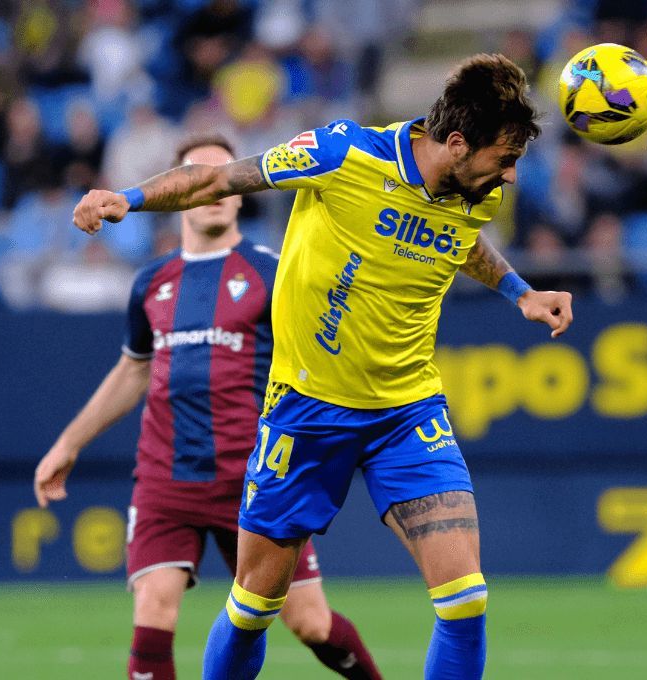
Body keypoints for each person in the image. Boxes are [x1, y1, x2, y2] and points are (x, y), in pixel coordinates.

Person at [71, 54, 573, 680]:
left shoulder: (476, 190)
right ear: (454, 143)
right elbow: (218, 181)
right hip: (307, 410)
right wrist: (131, 197)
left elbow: (460, 237)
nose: (512, 175)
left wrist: (520, 292)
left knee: (465, 597)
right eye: (504, 158)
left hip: (407, 410)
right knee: (255, 606)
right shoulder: (344, 154)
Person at [35, 135, 382, 680]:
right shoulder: (152, 281)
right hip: (166, 477)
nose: (212, 188)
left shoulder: (278, 273)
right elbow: (134, 368)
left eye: (224, 177)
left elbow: (325, 359)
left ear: (241, 192)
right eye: (196, 175)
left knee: (311, 623)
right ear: (176, 191)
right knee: (153, 609)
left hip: (255, 477)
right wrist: (68, 442)